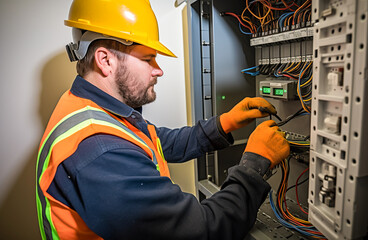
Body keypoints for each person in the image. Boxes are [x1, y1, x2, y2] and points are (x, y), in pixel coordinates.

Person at [36, 0, 290, 239]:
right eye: (148, 58)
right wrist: (255, 163)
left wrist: (224, 123)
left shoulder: (91, 109)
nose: (159, 69)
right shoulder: (100, 150)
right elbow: (204, 231)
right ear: (105, 60)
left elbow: (157, 142)